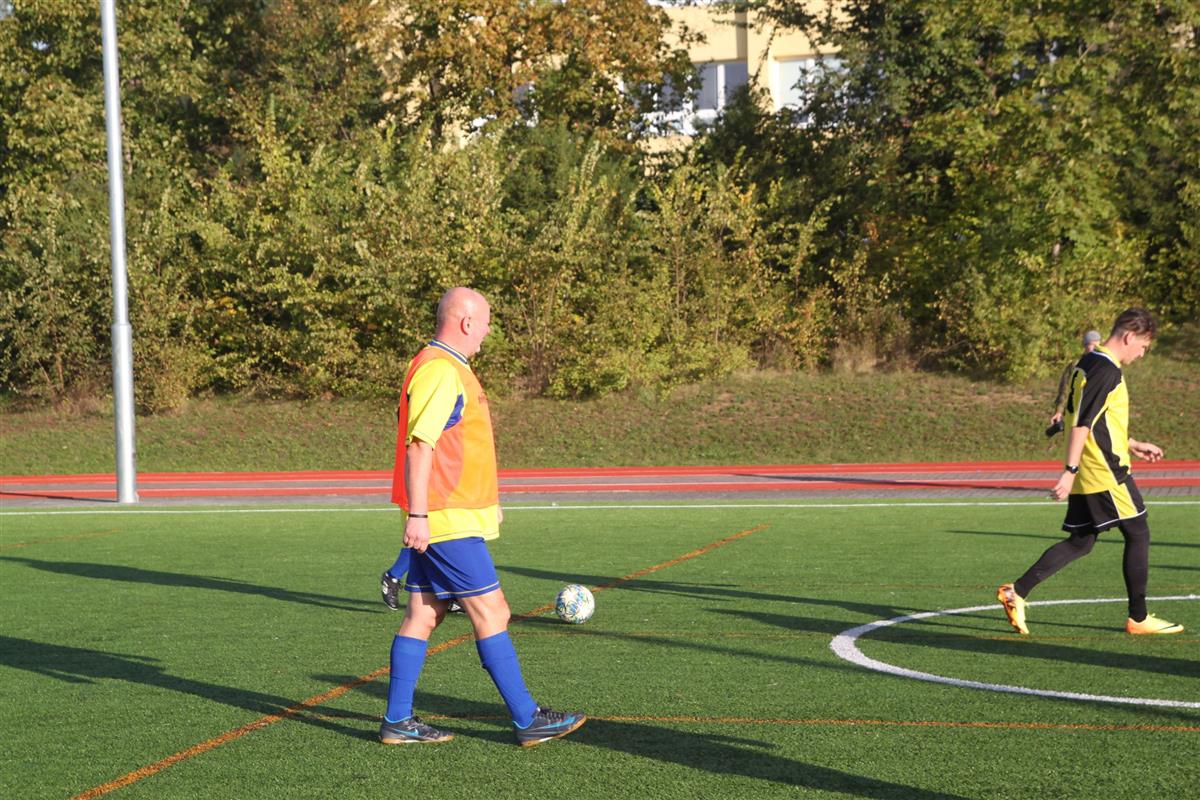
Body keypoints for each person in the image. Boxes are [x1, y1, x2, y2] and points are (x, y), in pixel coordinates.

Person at [377, 287, 586, 746]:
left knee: (423, 614)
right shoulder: (441, 369)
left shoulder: (446, 367)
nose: (488, 332)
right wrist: (419, 514)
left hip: (448, 515)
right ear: (467, 322)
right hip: (446, 519)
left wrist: (485, 503)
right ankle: (527, 719)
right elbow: (420, 446)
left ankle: (397, 721)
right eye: (486, 322)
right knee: (493, 611)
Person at [998, 308, 1183, 636]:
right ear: (1129, 337)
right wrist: (1069, 471)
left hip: (1090, 467)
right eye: (1143, 346)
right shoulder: (1107, 371)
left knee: (1081, 542)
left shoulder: (1089, 362)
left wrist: (1132, 443)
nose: (1142, 354)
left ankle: (1017, 591)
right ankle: (1138, 618)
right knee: (1138, 532)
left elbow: (1096, 420)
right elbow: (1082, 424)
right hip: (1104, 470)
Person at [1045, 330, 1102, 437]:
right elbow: (1064, 389)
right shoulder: (1076, 365)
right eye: (1092, 345)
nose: (1095, 348)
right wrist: (1059, 411)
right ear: (1085, 346)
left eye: (1097, 345)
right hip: (1076, 414)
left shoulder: (1104, 365)